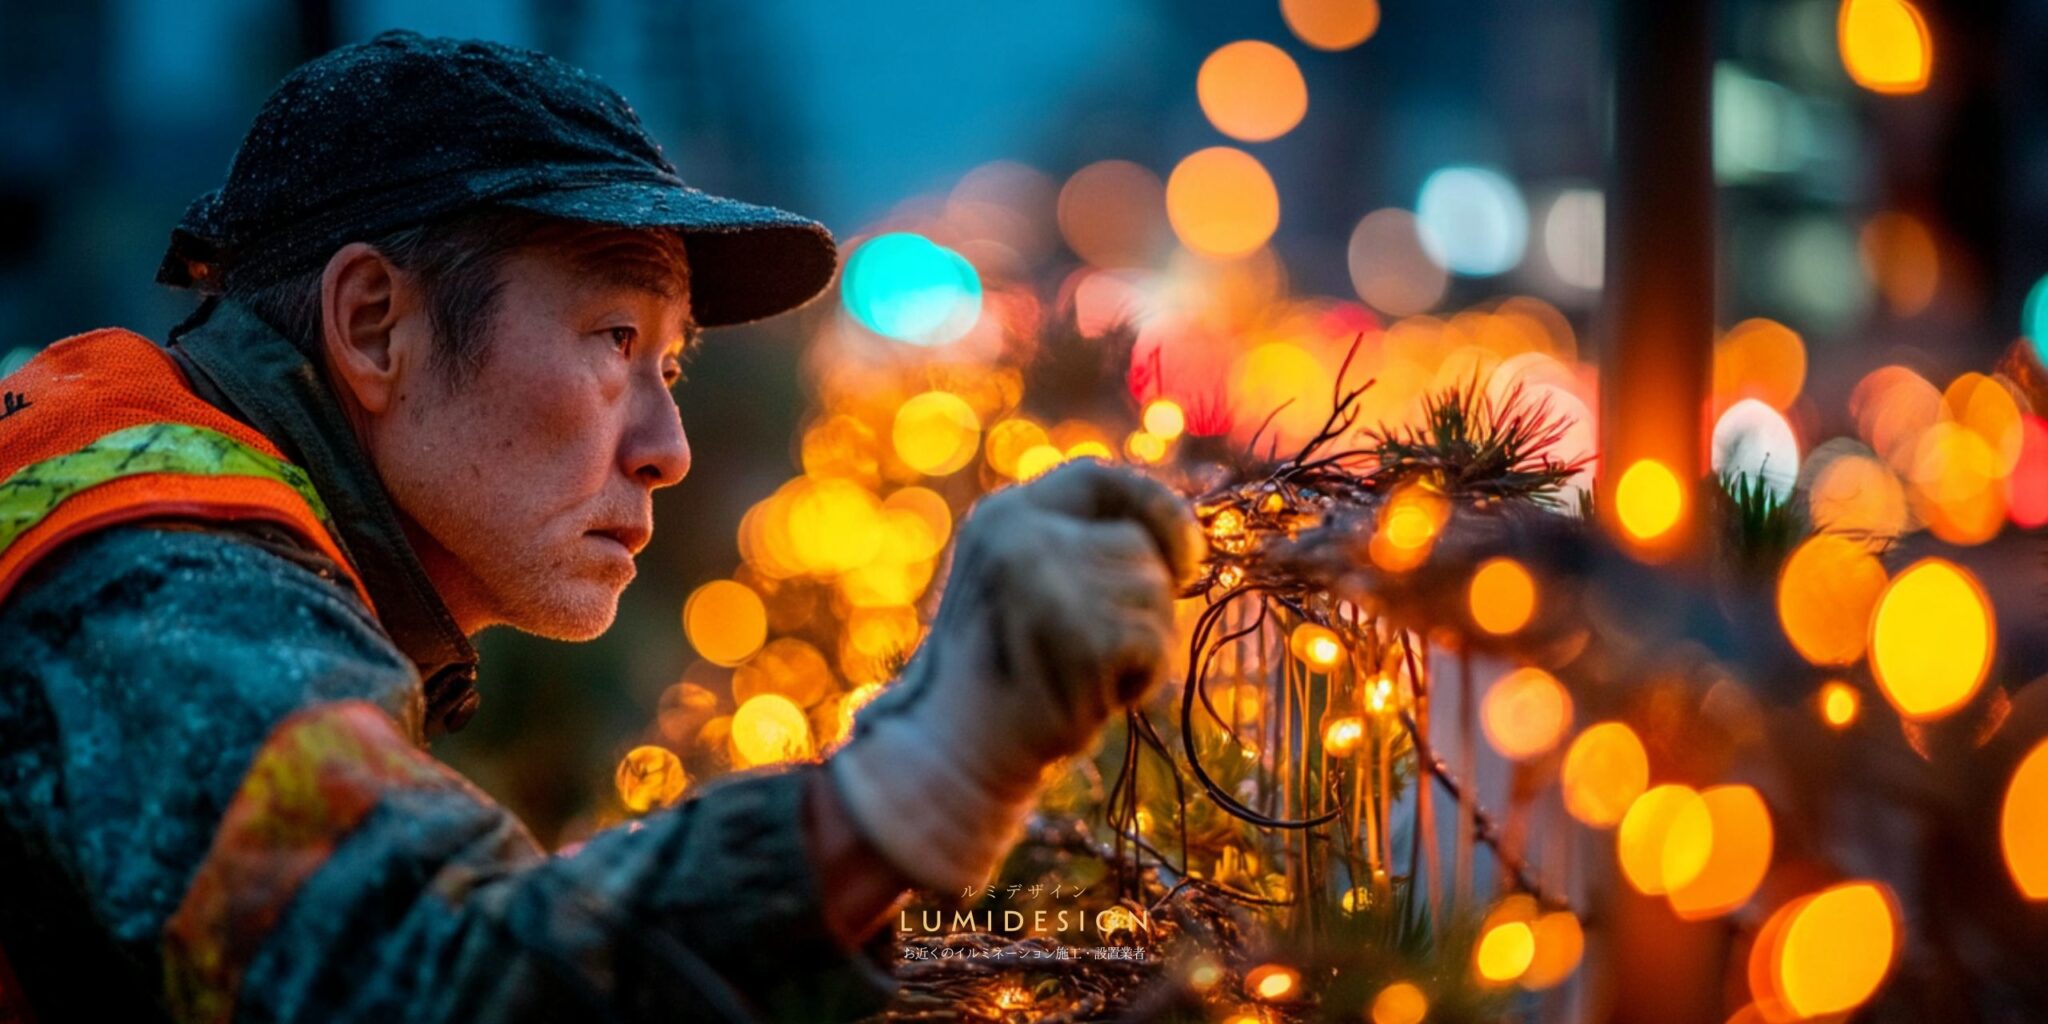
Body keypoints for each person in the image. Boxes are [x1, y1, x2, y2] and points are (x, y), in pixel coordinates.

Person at [0, 31, 1196, 1024]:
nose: (665, 447)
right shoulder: (158, 576)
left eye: (669, 362)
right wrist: (915, 784)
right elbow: (435, 981)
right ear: (372, 326)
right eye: (614, 341)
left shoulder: (134, 483)